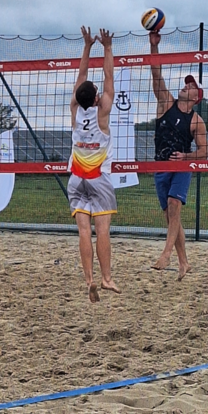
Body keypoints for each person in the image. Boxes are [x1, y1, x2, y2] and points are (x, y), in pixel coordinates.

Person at [148, 29, 208, 279]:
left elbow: (204, 153)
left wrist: (186, 157)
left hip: (182, 167)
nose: (186, 85)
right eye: (186, 83)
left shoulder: (197, 121)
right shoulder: (166, 103)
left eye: (191, 85)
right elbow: (156, 74)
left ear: (196, 97)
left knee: (174, 206)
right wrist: (153, 46)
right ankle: (184, 262)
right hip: (160, 165)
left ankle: (166, 255)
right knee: (170, 216)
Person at [69, 25, 119, 300]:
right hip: (98, 179)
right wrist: (107, 48)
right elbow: (109, 77)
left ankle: (89, 279)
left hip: (76, 178)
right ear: (97, 98)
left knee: (83, 231)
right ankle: (106, 279)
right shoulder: (103, 113)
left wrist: (87, 46)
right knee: (102, 231)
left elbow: (82, 77)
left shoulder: (75, 110)